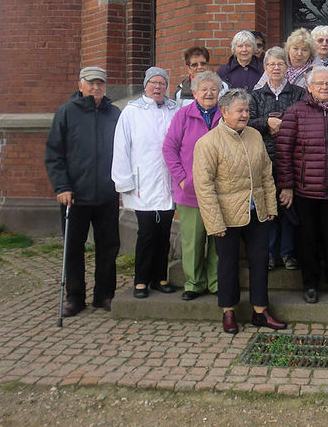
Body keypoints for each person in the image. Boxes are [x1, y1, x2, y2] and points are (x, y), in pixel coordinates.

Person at [193, 89, 286, 334]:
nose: (245, 115)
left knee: (259, 262)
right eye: (240, 111)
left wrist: (270, 208)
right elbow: (204, 186)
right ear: (224, 112)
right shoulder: (208, 143)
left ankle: (260, 311)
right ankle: (228, 311)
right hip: (226, 217)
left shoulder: (255, 135)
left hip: (257, 213)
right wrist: (215, 223)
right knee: (227, 265)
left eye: (246, 110)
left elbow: (266, 173)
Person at [275, 66, 328, 303]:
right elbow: (283, 152)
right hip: (304, 191)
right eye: (319, 84)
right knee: (307, 239)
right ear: (309, 87)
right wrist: (287, 186)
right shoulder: (295, 112)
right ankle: (310, 284)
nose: (324, 87)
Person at [45, 66, 121, 316]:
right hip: (74, 196)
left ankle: (104, 294)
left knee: (108, 246)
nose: (96, 88)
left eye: (100, 83)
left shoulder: (114, 114)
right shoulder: (66, 113)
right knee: (73, 248)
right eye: (91, 83)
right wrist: (62, 186)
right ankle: (75, 297)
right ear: (80, 85)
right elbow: (54, 153)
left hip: (107, 195)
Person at [111, 66, 178, 299]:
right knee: (147, 233)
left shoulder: (173, 109)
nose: (158, 87)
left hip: (168, 183)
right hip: (143, 183)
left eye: (162, 83)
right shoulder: (131, 112)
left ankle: (160, 277)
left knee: (164, 234)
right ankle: (141, 280)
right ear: (146, 85)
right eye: (154, 83)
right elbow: (121, 148)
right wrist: (124, 182)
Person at [162, 71, 223, 301]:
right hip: (190, 191)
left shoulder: (225, 115)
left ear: (219, 92)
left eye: (213, 89)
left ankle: (216, 282)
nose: (209, 93)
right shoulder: (183, 116)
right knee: (193, 241)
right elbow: (169, 148)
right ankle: (194, 284)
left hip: (219, 191)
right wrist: (181, 178)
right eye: (204, 89)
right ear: (194, 93)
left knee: (218, 240)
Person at [248, 47, 306, 272]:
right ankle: (271, 254)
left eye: (280, 64)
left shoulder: (298, 93)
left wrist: (284, 126)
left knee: (289, 208)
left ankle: (288, 253)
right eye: (271, 64)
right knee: (269, 208)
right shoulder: (256, 95)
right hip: (264, 160)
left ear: (287, 67)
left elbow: (304, 119)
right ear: (265, 68)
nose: (275, 68)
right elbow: (247, 123)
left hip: (291, 159)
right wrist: (266, 123)